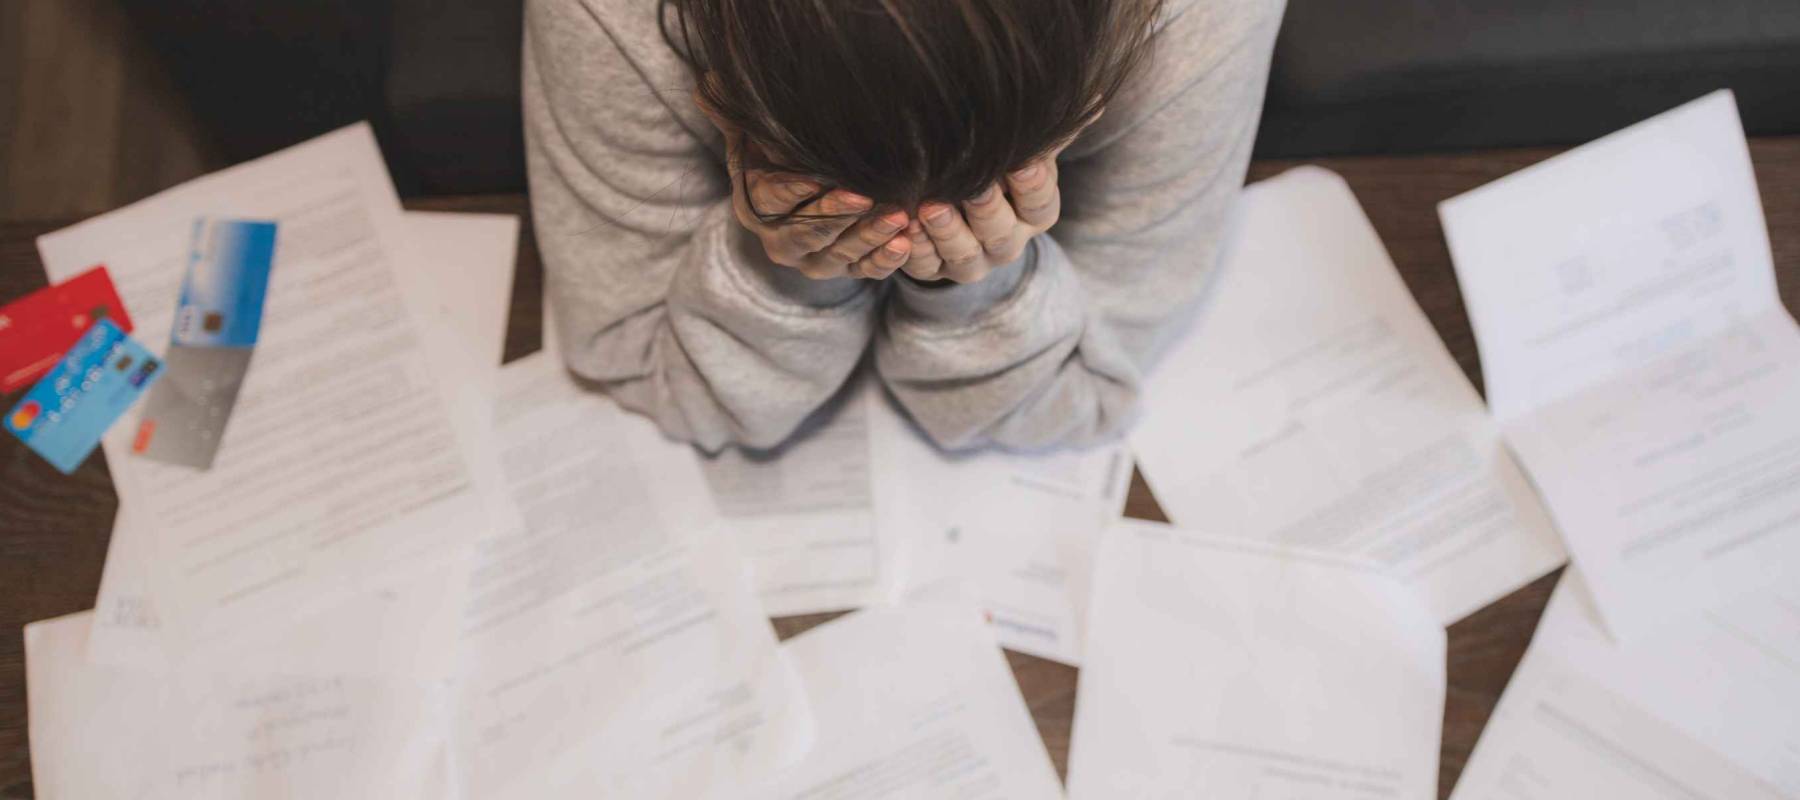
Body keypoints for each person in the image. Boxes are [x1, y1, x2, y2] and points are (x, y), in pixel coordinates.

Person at [525, 0, 1285, 452]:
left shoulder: (1200, 17)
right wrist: (779, 266)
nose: (908, 233)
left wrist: (979, 286)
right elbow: (643, 365)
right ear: (719, 88)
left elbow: (1083, 397)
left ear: (1088, 107)